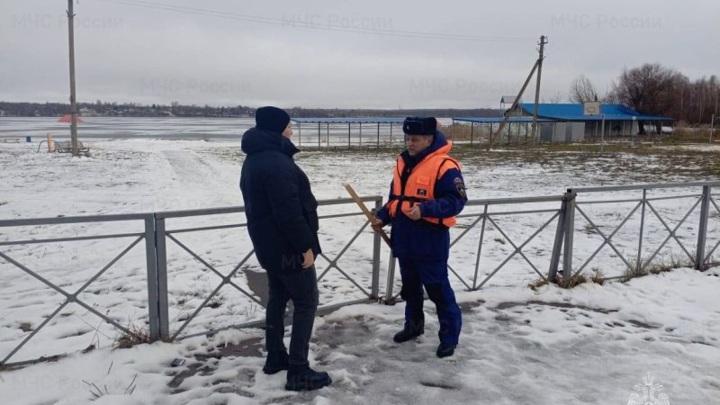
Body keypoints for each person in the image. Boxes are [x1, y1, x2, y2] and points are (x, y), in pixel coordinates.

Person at [239, 106, 332, 391]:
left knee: (278, 299)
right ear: (277, 129)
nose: (292, 130)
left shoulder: (255, 159)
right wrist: (306, 245)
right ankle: (298, 370)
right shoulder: (277, 163)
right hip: (287, 247)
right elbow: (289, 213)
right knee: (306, 302)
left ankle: (276, 357)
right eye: (289, 126)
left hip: (268, 246)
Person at [373, 117, 467, 358]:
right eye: (407, 138)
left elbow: (457, 201)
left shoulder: (445, 165)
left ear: (429, 138)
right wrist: (383, 216)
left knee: (438, 291)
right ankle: (413, 327)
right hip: (404, 239)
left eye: (415, 139)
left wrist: (425, 210)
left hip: (430, 240)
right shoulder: (402, 162)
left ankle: (449, 338)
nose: (410, 143)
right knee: (410, 290)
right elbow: (396, 198)